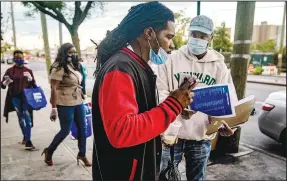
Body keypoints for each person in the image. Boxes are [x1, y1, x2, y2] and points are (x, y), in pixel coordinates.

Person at [91, 2, 196, 180]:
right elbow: (121, 132)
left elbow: (141, 116)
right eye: (168, 37)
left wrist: (173, 111)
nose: (171, 44)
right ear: (149, 33)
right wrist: (172, 105)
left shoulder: (137, 66)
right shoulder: (120, 68)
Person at [157, 15, 238, 180]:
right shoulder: (171, 59)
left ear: (211, 38)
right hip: (173, 134)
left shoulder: (219, 66)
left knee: (196, 178)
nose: (197, 39)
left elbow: (228, 102)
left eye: (203, 36)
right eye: (194, 34)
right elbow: (160, 90)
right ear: (188, 34)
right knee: (165, 177)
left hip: (200, 137)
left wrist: (228, 125)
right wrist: (177, 107)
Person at [41, 43, 91, 167]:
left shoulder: (74, 66)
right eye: (70, 52)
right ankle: (49, 150)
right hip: (64, 102)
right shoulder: (59, 66)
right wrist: (53, 109)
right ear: (64, 53)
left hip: (78, 100)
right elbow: (53, 88)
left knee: (83, 128)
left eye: (75, 52)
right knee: (65, 130)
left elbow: (79, 82)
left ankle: (82, 154)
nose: (73, 54)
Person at [1, 50, 36, 150]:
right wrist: (5, 83)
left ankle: (28, 141)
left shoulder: (28, 70)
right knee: (20, 117)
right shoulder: (9, 71)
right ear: (14, 59)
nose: (19, 60)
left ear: (23, 58)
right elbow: (2, 85)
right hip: (15, 97)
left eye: (21, 58)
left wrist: (31, 79)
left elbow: (34, 85)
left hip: (26, 98)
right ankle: (25, 136)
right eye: (17, 58)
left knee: (27, 118)